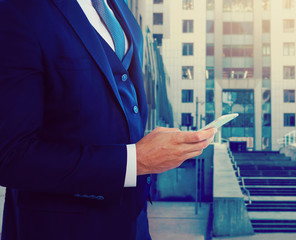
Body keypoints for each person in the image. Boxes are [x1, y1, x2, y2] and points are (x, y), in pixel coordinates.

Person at [0, 0, 216, 239]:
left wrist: (151, 145)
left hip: (135, 225)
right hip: (61, 228)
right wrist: (136, 160)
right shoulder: (19, 9)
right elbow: (10, 156)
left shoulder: (120, 6)